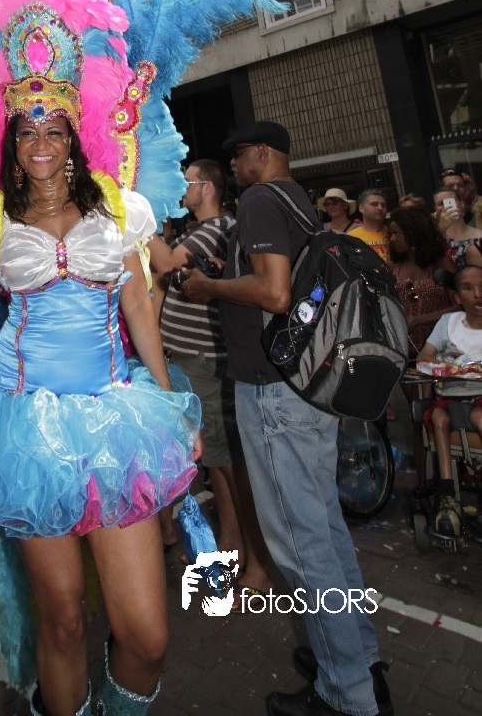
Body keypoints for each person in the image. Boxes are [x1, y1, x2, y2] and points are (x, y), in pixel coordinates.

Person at [0, 0, 202, 716]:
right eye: (26, 129)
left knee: (147, 635)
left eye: (53, 129)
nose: (40, 143)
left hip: (114, 418)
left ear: (73, 133)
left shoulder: (119, 210)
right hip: (23, 427)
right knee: (60, 620)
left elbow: (138, 309)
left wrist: (168, 407)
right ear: (10, 136)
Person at [181, 121, 389, 716]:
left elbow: (274, 294)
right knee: (325, 531)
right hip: (307, 388)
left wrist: (210, 287)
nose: (235, 164)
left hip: (275, 392)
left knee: (301, 546)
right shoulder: (298, 200)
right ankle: (358, 657)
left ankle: (346, 694)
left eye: (239, 154)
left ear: (262, 153)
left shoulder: (262, 200)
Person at [150, 160, 272, 598]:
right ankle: (230, 546)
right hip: (191, 360)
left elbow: (165, 263)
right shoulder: (197, 231)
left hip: (205, 360)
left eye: (186, 182)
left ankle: (250, 557)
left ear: (207, 188)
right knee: (215, 463)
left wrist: (137, 214)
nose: (180, 188)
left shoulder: (216, 227)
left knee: (227, 465)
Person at [388, 205, 454, 487]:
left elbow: (459, 305)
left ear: (414, 232)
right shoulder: (394, 268)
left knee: (442, 415)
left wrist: (420, 319)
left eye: (397, 233)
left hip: (442, 349)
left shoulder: (440, 264)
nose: (393, 239)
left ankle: (450, 475)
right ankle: (424, 486)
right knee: (417, 418)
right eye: (391, 234)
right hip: (408, 350)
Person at [417, 263, 482, 537]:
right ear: (457, 297)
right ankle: (448, 497)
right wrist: (444, 363)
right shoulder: (448, 323)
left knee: (479, 416)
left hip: (479, 402)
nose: (478, 294)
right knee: (437, 417)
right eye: (468, 288)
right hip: (450, 401)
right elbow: (425, 355)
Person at [433, 189, 482, 268]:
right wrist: (441, 229)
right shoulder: (434, 237)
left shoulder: (480, 235)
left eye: (450, 201)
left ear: (462, 204)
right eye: (441, 204)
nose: (447, 206)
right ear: (435, 209)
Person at [349, 188, 390, 261]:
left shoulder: (393, 233)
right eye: (374, 204)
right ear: (361, 208)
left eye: (383, 205)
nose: (380, 208)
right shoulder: (351, 237)